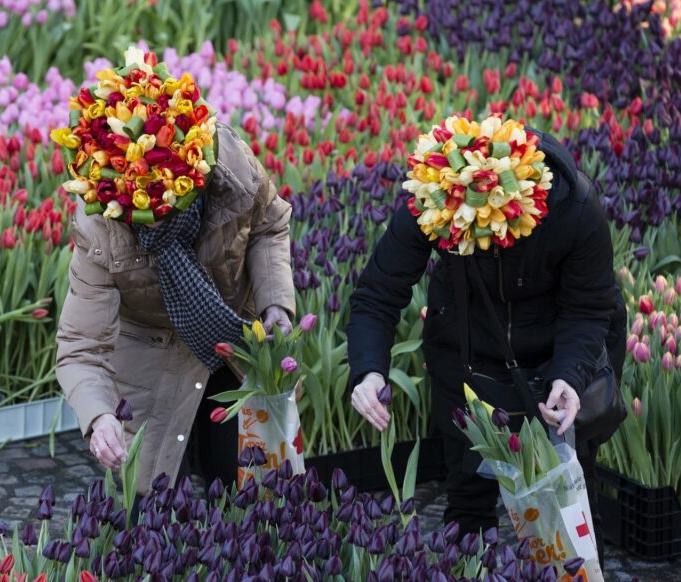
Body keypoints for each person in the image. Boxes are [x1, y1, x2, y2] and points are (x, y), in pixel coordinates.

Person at [346, 117, 626, 547]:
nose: (483, 241)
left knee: (569, 502)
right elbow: (378, 292)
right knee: (468, 499)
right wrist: (368, 371)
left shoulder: (573, 208)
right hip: (465, 355)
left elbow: (589, 309)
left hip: (557, 356)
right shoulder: (438, 197)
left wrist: (570, 375)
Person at [53, 49, 295, 494]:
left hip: (234, 344)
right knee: (154, 511)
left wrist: (275, 304)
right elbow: (80, 345)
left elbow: (269, 225)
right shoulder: (101, 223)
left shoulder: (230, 169)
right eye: (141, 210)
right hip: (149, 357)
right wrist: (99, 416)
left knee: (255, 497)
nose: (153, 219)